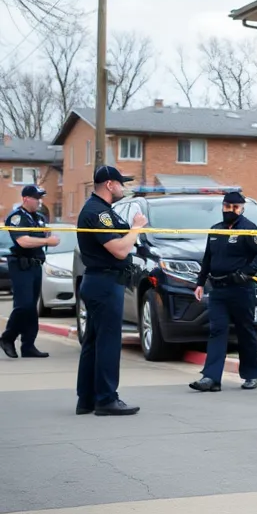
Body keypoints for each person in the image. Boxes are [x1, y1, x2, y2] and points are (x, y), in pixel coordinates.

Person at [76, 165, 147, 416]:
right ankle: (106, 399)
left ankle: (86, 399)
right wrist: (137, 227)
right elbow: (118, 249)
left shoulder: (102, 211)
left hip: (101, 281)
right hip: (105, 283)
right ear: (109, 184)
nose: (123, 188)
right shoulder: (99, 213)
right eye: (120, 183)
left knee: (94, 342)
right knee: (107, 342)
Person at [189, 191, 257, 392]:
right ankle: (211, 378)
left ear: (242, 208)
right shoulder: (216, 230)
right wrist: (200, 283)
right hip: (218, 290)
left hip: (241, 289)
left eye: (235, 207)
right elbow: (208, 259)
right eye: (228, 206)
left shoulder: (249, 229)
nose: (231, 210)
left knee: (245, 331)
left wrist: (247, 272)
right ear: (223, 206)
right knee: (216, 331)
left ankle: (252, 375)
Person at [0, 185, 58, 359]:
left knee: (32, 307)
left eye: (40, 198)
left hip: (35, 265)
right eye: (36, 198)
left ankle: (28, 345)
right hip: (20, 265)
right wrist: (47, 240)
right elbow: (23, 241)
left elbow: (42, 237)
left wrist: (46, 237)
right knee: (23, 305)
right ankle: (7, 338)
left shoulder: (39, 218)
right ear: (26, 199)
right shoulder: (16, 217)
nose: (39, 201)